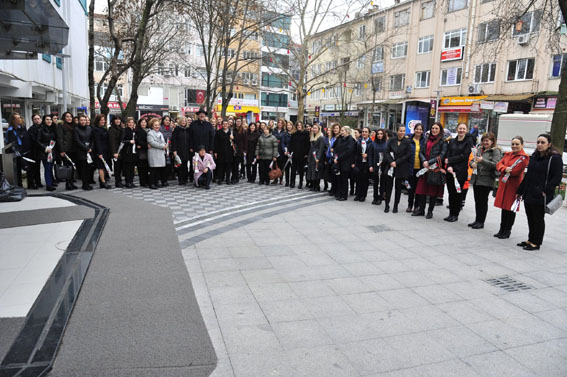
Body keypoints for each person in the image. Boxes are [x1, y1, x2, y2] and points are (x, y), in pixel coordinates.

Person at [516, 134, 563, 250]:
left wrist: (545, 191)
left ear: (549, 144)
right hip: (529, 192)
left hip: (541, 194)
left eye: (543, 142)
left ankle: (536, 242)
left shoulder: (554, 158)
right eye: (538, 142)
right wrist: (520, 190)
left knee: (538, 218)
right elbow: (528, 175)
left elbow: (556, 178)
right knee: (530, 217)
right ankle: (530, 239)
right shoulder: (535, 156)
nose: (540, 145)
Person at [493, 136, 529, 239]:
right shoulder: (508, 154)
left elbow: (516, 171)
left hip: (514, 186)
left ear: (522, 145)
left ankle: (507, 230)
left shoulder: (524, 157)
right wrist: (505, 168)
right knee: (504, 208)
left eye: (517, 144)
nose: (514, 146)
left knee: (510, 208)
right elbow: (499, 164)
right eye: (513, 144)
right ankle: (501, 229)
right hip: (504, 184)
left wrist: (504, 169)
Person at [414, 122, 448, 219]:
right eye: (433, 128)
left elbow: (442, 155)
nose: (434, 130)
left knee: (433, 192)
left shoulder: (443, 141)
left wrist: (429, 162)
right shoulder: (426, 139)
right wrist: (424, 160)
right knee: (422, 190)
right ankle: (421, 210)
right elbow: (421, 152)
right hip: (424, 169)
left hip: (434, 169)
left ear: (440, 130)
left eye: (436, 128)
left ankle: (430, 211)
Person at [468, 132, 502, 229]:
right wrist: (472, 164)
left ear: (492, 141)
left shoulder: (495, 151)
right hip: (477, 178)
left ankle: (481, 221)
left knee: (483, 201)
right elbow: (473, 160)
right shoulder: (479, 149)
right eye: (484, 140)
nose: (485, 142)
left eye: (487, 141)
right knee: (477, 201)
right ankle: (477, 220)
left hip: (487, 179)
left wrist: (482, 160)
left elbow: (496, 165)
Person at [444, 123, 474, 222]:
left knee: (457, 194)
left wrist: (450, 161)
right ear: (456, 129)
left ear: (466, 130)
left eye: (463, 129)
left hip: (460, 172)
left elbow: (464, 156)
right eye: (460, 128)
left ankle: (455, 214)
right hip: (450, 171)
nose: (461, 130)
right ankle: (450, 213)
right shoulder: (452, 141)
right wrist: (449, 166)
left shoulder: (468, 142)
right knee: (451, 193)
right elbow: (448, 155)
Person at [383, 125, 411, 213]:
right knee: (388, 186)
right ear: (397, 131)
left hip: (400, 166)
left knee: (398, 187)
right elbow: (386, 152)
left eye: (403, 131)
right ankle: (387, 204)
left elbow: (407, 155)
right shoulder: (391, 140)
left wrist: (397, 162)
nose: (402, 132)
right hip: (390, 166)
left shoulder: (407, 142)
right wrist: (391, 162)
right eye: (400, 130)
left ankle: (396, 205)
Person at [333, 126, 357, 201]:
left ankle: (344, 195)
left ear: (347, 131)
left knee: (344, 179)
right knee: (339, 178)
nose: (341, 132)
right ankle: (339, 193)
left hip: (346, 162)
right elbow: (336, 149)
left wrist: (339, 157)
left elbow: (348, 151)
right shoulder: (340, 139)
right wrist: (335, 157)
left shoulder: (351, 140)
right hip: (339, 161)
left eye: (343, 130)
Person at [56, 112, 77, 190]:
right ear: (64, 118)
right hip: (66, 150)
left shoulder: (73, 126)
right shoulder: (61, 126)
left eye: (70, 117)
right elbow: (59, 138)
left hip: (73, 149)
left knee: (72, 167)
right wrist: (62, 150)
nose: (69, 118)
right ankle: (68, 184)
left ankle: (71, 182)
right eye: (67, 117)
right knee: (67, 167)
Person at [73, 114, 95, 190]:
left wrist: (91, 147)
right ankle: (84, 184)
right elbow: (77, 140)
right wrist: (86, 148)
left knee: (89, 168)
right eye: (81, 120)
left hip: (89, 151)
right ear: (79, 121)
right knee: (83, 169)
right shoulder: (76, 129)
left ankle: (88, 183)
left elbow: (92, 139)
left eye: (84, 120)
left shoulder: (89, 128)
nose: (83, 121)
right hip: (81, 151)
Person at [36, 115, 58, 191]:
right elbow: (38, 141)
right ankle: (48, 185)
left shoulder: (53, 128)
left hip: (52, 151)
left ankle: (51, 183)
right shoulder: (41, 129)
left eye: (50, 119)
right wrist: (45, 148)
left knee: (50, 168)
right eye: (47, 119)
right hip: (44, 152)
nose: (49, 121)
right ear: (44, 121)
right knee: (48, 168)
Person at [92, 114, 113, 189]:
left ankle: (102, 181)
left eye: (104, 120)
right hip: (100, 151)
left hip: (106, 150)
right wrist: (99, 153)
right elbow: (97, 142)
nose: (103, 121)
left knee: (104, 167)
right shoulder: (96, 130)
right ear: (97, 121)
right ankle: (103, 182)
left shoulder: (104, 129)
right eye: (101, 120)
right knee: (101, 167)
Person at [407, 124, 424, 213]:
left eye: (420, 129)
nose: (418, 131)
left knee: (418, 188)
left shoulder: (424, 141)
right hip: (410, 168)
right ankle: (410, 205)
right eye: (417, 129)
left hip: (420, 169)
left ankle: (416, 206)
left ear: (422, 131)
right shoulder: (409, 140)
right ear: (414, 130)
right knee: (410, 188)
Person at [368, 129, 388, 205]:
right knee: (375, 182)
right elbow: (370, 156)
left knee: (382, 183)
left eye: (381, 134)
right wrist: (370, 165)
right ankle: (375, 197)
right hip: (375, 165)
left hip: (383, 166)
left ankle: (380, 197)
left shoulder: (386, 144)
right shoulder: (373, 144)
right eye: (378, 134)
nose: (379, 135)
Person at [147, 118, 167, 190]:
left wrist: (165, 144)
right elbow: (152, 143)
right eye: (155, 125)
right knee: (153, 169)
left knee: (158, 169)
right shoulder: (150, 133)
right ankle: (151, 183)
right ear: (152, 126)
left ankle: (156, 182)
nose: (157, 126)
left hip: (160, 153)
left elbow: (163, 141)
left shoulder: (160, 133)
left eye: (158, 125)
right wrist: (163, 146)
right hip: (154, 153)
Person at [289, 121, 310, 189]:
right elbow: (291, 143)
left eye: (300, 125)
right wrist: (290, 151)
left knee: (301, 170)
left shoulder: (305, 134)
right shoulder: (294, 134)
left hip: (302, 154)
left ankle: (300, 182)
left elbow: (307, 145)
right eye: (298, 125)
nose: (299, 126)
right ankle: (292, 182)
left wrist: (306, 153)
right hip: (294, 154)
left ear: (302, 126)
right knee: (293, 169)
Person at [171, 116, 191, 185]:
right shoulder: (177, 129)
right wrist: (174, 150)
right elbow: (174, 140)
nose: (184, 122)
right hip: (179, 150)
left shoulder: (188, 130)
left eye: (185, 121)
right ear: (180, 122)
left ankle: (185, 179)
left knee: (185, 165)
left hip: (186, 150)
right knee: (179, 165)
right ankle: (180, 179)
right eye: (182, 121)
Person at [354, 127, 372, 202]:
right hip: (359, 162)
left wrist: (367, 155)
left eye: (366, 132)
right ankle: (357, 194)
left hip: (366, 163)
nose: (364, 133)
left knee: (365, 180)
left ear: (368, 133)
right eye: (363, 132)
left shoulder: (371, 143)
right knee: (358, 179)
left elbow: (372, 154)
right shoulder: (358, 141)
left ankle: (363, 195)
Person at [307, 123, 326, 191]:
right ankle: (313, 185)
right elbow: (310, 148)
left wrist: (318, 157)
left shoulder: (321, 137)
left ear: (318, 129)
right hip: (312, 156)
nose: (314, 129)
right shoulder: (312, 137)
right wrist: (309, 157)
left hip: (317, 157)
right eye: (313, 128)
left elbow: (321, 148)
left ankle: (317, 186)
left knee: (317, 171)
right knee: (312, 171)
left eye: (315, 128)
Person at [214, 120, 234, 185]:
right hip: (220, 151)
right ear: (222, 125)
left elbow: (235, 142)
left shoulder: (231, 132)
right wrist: (215, 152)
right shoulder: (218, 132)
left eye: (226, 124)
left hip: (229, 152)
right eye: (224, 124)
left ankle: (228, 179)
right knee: (220, 166)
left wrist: (233, 138)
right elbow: (216, 143)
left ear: (228, 125)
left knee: (228, 166)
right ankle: (220, 179)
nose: (225, 125)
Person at [27, 114, 44, 189]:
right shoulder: (31, 129)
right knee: (33, 168)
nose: (37, 120)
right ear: (33, 120)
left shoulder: (43, 128)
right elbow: (34, 141)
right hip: (33, 151)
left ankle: (38, 182)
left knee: (38, 167)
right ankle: (31, 183)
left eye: (38, 118)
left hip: (40, 151)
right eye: (35, 119)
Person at [121, 117, 138, 188]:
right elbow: (122, 141)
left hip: (134, 151)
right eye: (130, 122)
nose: (131, 124)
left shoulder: (134, 131)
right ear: (127, 123)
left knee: (132, 167)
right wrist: (129, 142)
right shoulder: (125, 131)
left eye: (132, 122)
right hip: (127, 151)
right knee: (128, 167)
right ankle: (127, 182)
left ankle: (131, 181)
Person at [108, 115, 124, 187]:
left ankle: (120, 180)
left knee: (120, 166)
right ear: (113, 121)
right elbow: (111, 142)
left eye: (119, 119)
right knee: (117, 167)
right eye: (116, 119)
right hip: (116, 150)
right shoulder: (112, 129)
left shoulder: (120, 128)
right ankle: (117, 182)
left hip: (121, 150)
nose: (118, 121)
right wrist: (114, 152)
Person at [326, 123, 341, 196]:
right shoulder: (332, 138)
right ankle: (333, 188)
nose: (335, 130)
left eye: (337, 128)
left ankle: (336, 189)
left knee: (336, 175)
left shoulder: (340, 138)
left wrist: (334, 150)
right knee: (332, 175)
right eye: (334, 128)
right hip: (330, 158)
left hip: (336, 158)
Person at [232, 118, 247, 184]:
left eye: (239, 121)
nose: (238, 122)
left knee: (238, 165)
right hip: (233, 149)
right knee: (234, 165)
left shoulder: (243, 131)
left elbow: (245, 141)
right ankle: (233, 177)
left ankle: (237, 178)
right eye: (237, 121)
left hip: (240, 150)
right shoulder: (232, 130)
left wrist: (245, 150)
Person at [135, 118, 150, 187]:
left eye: (145, 122)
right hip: (141, 152)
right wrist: (146, 145)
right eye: (142, 122)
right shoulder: (138, 131)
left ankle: (147, 181)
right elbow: (138, 141)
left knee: (147, 167)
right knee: (141, 168)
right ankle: (143, 182)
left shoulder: (149, 130)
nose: (143, 124)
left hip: (148, 151)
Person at [160, 115, 174, 182]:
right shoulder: (160, 128)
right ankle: (162, 179)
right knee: (163, 165)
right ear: (163, 121)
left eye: (168, 120)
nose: (167, 121)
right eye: (166, 120)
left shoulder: (171, 129)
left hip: (170, 149)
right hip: (162, 149)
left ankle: (166, 179)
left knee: (168, 165)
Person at [272, 118, 286, 184]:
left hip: (281, 150)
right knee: (275, 165)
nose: (280, 124)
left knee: (281, 166)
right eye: (279, 122)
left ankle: (281, 179)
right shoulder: (274, 131)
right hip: (275, 149)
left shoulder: (284, 132)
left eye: (281, 123)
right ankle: (275, 178)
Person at [281, 121, 294, 186]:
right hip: (286, 153)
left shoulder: (294, 133)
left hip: (293, 153)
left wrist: (293, 151)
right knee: (286, 168)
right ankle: (287, 181)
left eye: (290, 125)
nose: (289, 126)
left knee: (293, 168)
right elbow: (283, 143)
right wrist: (284, 150)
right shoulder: (284, 134)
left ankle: (292, 181)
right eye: (288, 125)